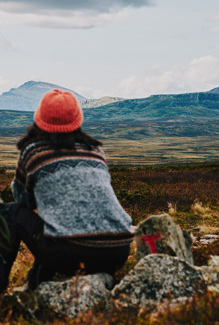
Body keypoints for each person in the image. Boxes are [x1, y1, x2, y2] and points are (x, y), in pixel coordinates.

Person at [10, 89, 133, 289]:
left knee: (13, 213)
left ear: (40, 118)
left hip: (70, 255)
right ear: (78, 118)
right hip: (118, 253)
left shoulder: (33, 152)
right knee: (57, 224)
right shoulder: (95, 151)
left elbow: (24, 201)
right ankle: (40, 275)